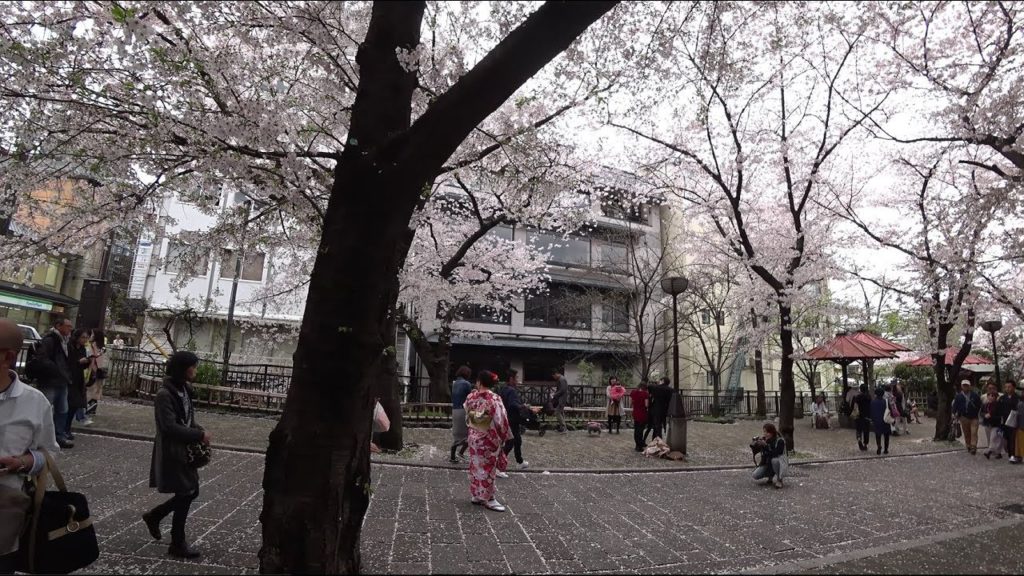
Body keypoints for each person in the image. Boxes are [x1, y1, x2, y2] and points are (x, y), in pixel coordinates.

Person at [0, 318, 60, 573]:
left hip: (5, 511)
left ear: (7, 358)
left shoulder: (34, 403)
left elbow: (49, 454)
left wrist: (22, 462)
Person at [142, 351, 211, 559]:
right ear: (183, 368)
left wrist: (199, 430)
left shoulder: (184, 390)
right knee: (187, 492)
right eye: (193, 366)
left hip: (185, 450)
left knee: (190, 491)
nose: (195, 370)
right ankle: (177, 542)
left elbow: (187, 418)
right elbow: (169, 427)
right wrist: (198, 434)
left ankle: (156, 517)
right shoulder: (165, 394)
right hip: (174, 451)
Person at [465, 370, 511, 512]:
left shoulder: (472, 396)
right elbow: (501, 419)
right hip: (488, 438)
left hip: (473, 436)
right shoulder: (494, 398)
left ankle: (477, 495)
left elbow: (466, 409)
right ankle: (489, 499)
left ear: (479, 382)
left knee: (475, 466)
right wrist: (504, 436)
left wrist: (474, 422)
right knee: (487, 469)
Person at [33, 317, 75, 449]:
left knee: (63, 409)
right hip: (50, 380)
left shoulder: (66, 341)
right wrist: (57, 370)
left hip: (62, 380)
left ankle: (58, 436)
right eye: (67, 326)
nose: (70, 329)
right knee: (45, 408)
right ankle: (37, 436)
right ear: (58, 326)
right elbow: (42, 358)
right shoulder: (50, 340)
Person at [497, 370, 528, 476]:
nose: (517, 380)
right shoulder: (511, 391)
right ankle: (499, 466)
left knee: (517, 440)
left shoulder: (504, 389)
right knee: (510, 442)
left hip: (506, 418)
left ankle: (520, 461)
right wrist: (523, 406)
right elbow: (513, 404)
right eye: (516, 378)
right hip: (512, 418)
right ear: (511, 379)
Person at [65, 328, 92, 439]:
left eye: (86, 337)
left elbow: (83, 365)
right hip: (69, 378)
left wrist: (87, 362)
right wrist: (78, 362)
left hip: (78, 379)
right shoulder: (69, 347)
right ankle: (62, 429)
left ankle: (67, 428)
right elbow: (67, 362)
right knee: (66, 406)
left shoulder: (82, 349)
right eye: (83, 337)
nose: (85, 340)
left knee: (74, 406)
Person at [751, 422, 788, 489]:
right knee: (755, 475)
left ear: (772, 432)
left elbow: (775, 454)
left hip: (779, 463)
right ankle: (770, 476)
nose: (765, 434)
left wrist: (766, 446)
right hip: (768, 463)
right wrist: (757, 445)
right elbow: (763, 454)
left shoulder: (780, 441)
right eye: (764, 432)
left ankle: (779, 480)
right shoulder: (765, 440)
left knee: (774, 460)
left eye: (767, 432)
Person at [449, 366, 473, 463]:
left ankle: (453, 456)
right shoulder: (466, 384)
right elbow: (470, 397)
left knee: (458, 435)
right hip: (463, 410)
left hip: (455, 410)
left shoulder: (455, 383)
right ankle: (460, 453)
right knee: (469, 434)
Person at [952, 380, 982, 455]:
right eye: (964, 385)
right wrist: (954, 413)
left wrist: (978, 413)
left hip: (974, 417)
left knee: (974, 432)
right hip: (963, 417)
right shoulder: (958, 396)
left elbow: (979, 405)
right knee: (966, 432)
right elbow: (955, 406)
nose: (965, 387)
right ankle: (968, 445)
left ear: (969, 386)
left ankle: (973, 446)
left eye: (967, 385)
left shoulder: (975, 395)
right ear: (962, 386)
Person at [86, 329, 107, 417]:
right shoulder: (103, 347)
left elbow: (92, 358)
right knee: (96, 391)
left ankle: (88, 409)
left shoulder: (92, 345)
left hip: (93, 370)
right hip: (100, 371)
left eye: (92, 334)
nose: (91, 336)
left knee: (90, 390)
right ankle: (92, 409)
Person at [997, 381, 1019, 463]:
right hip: (1005, 420)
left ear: (1014, 387)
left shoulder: (1018, 398)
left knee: (1013, 438)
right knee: (1007, 439)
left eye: (1009, 387)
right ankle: (1011, 454)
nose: (1007, 389)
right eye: (1006, 387)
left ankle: (1013, 455)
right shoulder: (1002, 398)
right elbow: (998, 409)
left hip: (1015, 420)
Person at [981, 383, 1003, 459]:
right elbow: (981, 412)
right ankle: (996, 452)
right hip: (987, 424)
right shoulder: (985, 405)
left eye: (993, 396)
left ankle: (989, 451)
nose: (991, 397)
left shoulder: (998, 405)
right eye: (989, 396)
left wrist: (992, 416)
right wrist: (984, 415)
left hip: (996, 424)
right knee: (990, 438)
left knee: (994, 438)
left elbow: (1000, 415)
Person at [629, 381, 650, 452]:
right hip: (642, 413)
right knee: (641, 430)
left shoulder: (633, 392)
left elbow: (631, 403)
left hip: (635, 412)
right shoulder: (645, 394)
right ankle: (640, 446)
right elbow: (646, 405)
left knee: (636, 429)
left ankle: (637, 445)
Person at [870, 387, 892, 455]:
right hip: (885, 420)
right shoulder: (886, 401)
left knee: (878, 435)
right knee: (886, 436)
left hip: (877, 421)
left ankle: (879, 446)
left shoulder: (873, 402)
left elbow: (871, 412)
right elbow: (890, 410)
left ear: (876, 394)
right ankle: (886, 449)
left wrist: (872, 419)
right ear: (883, 394)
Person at [853, 384, 872, 451]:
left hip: (859, 416)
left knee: (859, 430)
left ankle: (859, 439)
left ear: (860, 389)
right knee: (866, 431)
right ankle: (865, 444)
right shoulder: (869, 397)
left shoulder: (858, 397)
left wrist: (855, 413)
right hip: (867, 416)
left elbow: (855, 406)